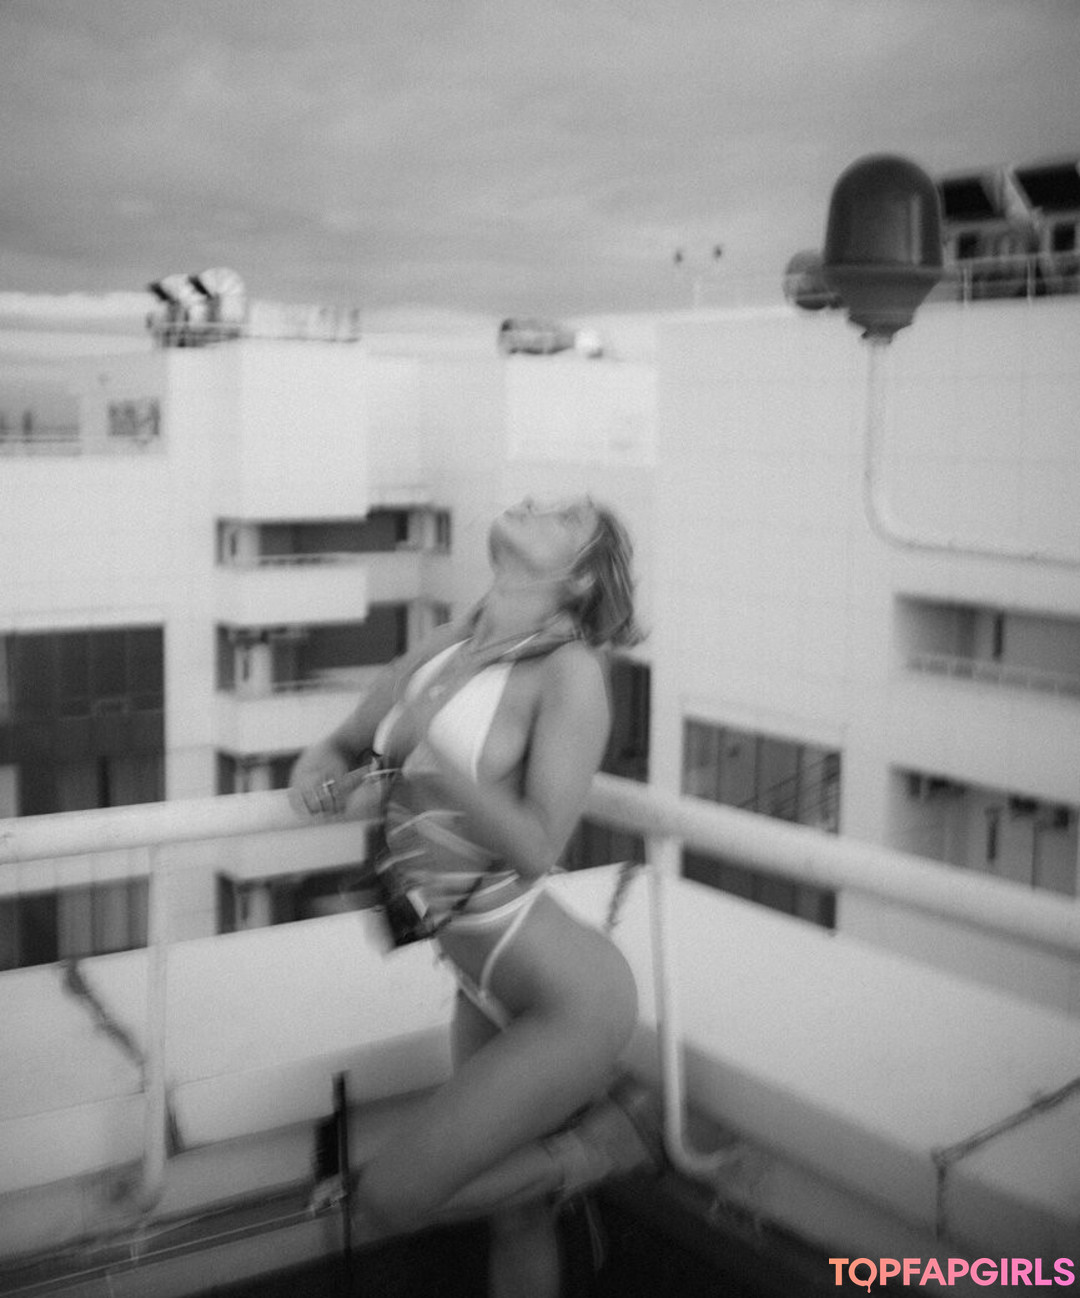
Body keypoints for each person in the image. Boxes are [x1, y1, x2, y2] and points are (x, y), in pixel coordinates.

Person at [290, 495, 659, 1297]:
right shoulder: (449, 642)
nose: (533, 503)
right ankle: (573, 1169)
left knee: (389, 1200)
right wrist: (315, 768)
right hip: (475, 969)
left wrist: (432, 758)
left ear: (579, 576)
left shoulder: (569, 673)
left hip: (568, 997)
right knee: (514, 1219)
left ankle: (599, 1149)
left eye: (562, 516)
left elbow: (538, 846)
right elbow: (348, 741)